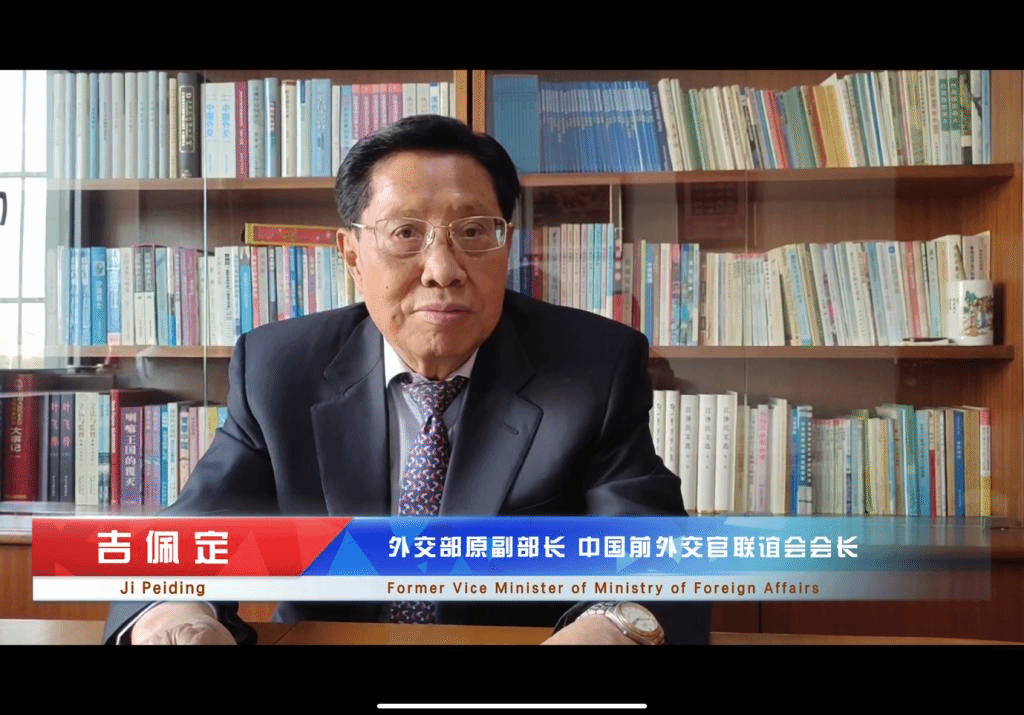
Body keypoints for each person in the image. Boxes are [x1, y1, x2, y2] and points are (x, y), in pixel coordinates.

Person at [103, 114, 711, 645]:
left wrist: (612, 625)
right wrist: (174, 615)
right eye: (405, 234)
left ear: (506, 245)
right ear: (351, 255)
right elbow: (196, 531)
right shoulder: (280, 368)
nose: (442, 270)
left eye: (474, 231)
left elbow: (653, 550)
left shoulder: (593, 366)